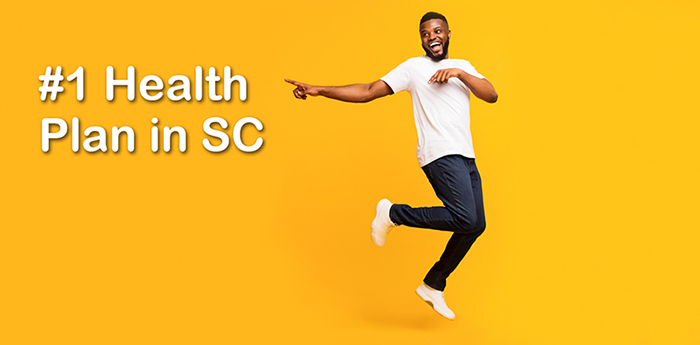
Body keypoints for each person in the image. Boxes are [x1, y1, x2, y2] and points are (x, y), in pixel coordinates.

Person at [285, 11, 498, 320]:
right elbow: (369, 91)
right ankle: (393, 213)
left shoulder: (463, 67)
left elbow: (490, 95)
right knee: (465, 217)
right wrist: (320, 90)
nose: (432, 37)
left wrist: (458, 74)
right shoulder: (414, 68)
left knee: (476, 224)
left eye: (437, 31)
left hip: (466, 156)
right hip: (440, 154)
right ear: (422, 39)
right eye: (426, 34)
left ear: (449, 33)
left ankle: (434, 284)